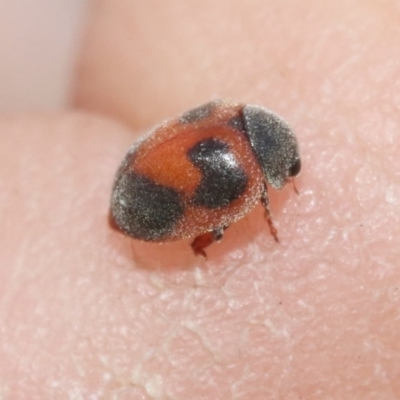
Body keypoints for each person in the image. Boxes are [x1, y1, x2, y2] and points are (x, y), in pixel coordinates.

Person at [1, 1, 399, 398]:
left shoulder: (231, 114)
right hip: (140, 199)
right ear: (275, 166)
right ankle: (201, 243)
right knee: (219, 228)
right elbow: (245, 203)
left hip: (139, 171)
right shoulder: (247, 171)